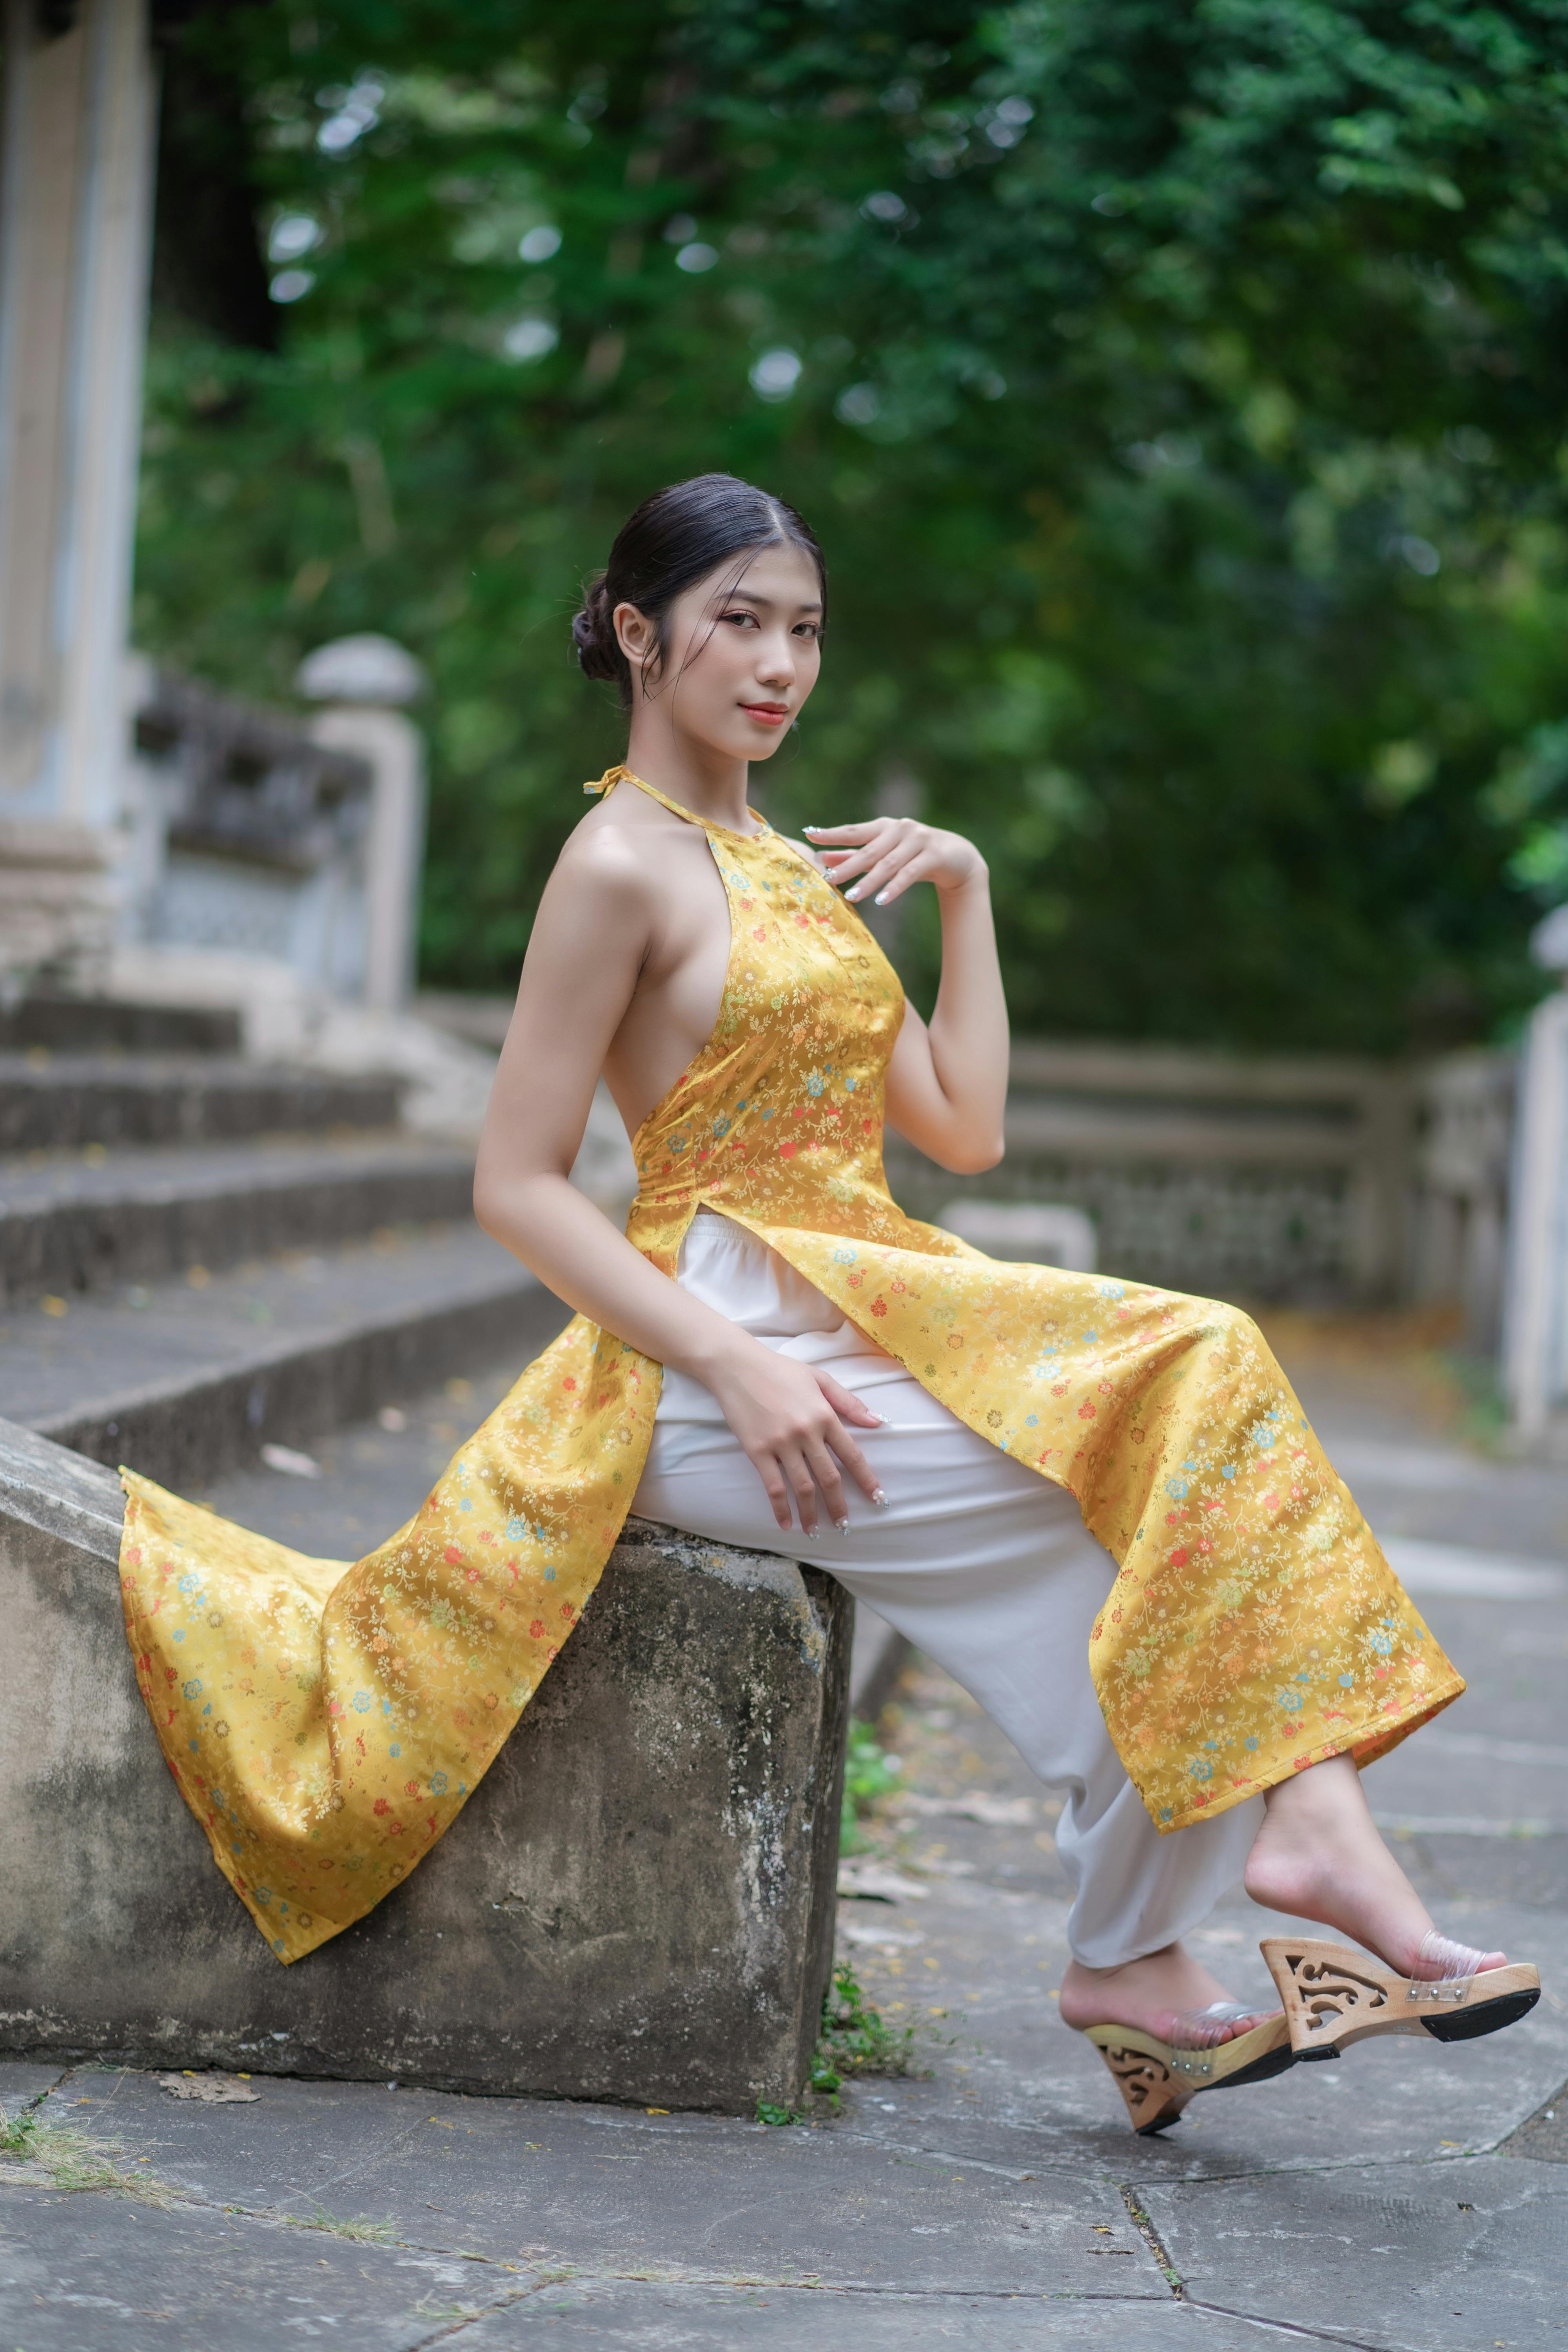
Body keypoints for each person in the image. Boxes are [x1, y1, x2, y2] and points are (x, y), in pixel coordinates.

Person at [120, 473, 1537, 2135]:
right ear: (638, 633)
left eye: (803, 629)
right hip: (708, 1355)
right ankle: (1294, 1840)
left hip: (853, 1301)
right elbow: (514, 1183)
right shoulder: (617, 866)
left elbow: (962, 1125)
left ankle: (1135, 1967)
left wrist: (966, 895)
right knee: (1202, 1354)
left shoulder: (785, 860)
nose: (781, 663)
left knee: (1148, 1548)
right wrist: (732, 1357)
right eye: (740, 622)